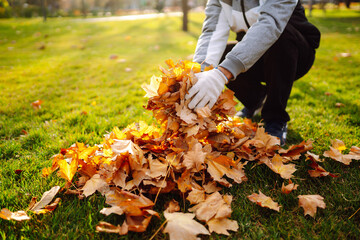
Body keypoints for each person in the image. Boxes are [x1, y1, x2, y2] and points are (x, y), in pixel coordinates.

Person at [185, 0, 320, 145]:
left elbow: (271, 24)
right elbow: (211, 33)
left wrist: (222, 73)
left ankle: (276, 118)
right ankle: (257, 101)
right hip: (254, 55)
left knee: (281, 36)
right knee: (223, 56)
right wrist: (200, 75)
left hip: (293, 53)